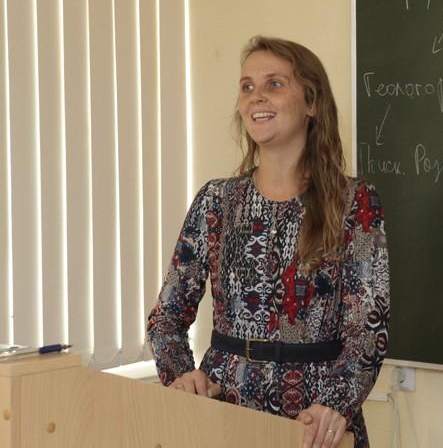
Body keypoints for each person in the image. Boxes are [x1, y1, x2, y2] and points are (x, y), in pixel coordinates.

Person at [147, 36, 389, 448]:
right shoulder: (216, 201)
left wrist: (335, 404)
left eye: (274, 84)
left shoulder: (354, 202)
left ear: (311, 102)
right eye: (247, 86)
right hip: (224, 411)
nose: (256, 96)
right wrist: (182, 377)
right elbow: (165, 318)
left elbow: (368, 328)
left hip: (315, 422)